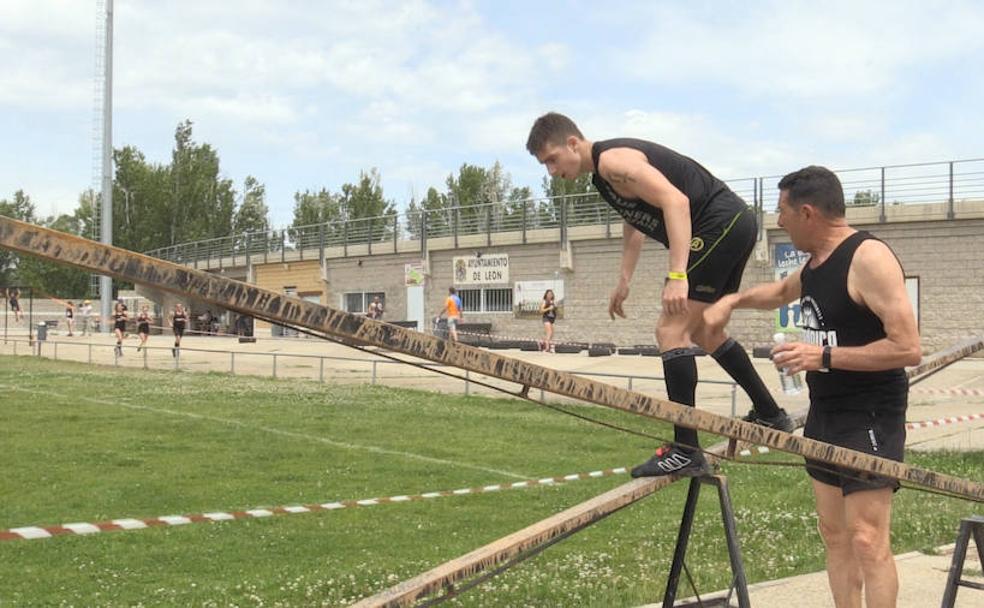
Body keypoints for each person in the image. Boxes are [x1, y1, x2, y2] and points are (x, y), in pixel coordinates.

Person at [527, 112, 794, 478]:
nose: (552, 172)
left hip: (718, 224)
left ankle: (686, 448)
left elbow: (676, 203)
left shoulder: (613, 162)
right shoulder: (604, 178)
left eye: (552, 160)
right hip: (733, 225)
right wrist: (624, 281)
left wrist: (678, 274)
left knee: (670, 331)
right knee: (704, 331)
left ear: (573, 143)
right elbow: (635, 224)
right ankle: (770, 413)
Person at [703, 166, 921, 608]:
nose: (778, 222)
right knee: (835, 534)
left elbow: (908, 347)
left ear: (807, 212)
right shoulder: (815, 264)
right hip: (826, 410)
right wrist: (732, 300)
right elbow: (781, 291)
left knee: (866, 537)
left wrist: (820, 357)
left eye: (781, 213)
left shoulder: (868, 258)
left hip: (870, 412)